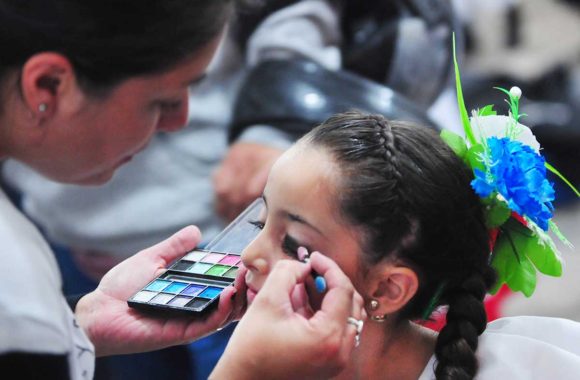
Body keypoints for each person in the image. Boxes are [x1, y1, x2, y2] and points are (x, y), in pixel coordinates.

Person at [0, 1, 364, 378]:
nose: (178, 120)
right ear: (48, 84)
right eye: (162, 101)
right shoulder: (15, 296)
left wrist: (79, 321)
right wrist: (247, 371)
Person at [237, 110, 580, 379]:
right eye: (260, 221)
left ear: (388, 289)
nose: (249, 255)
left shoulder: (537, 367)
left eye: (291, 245)